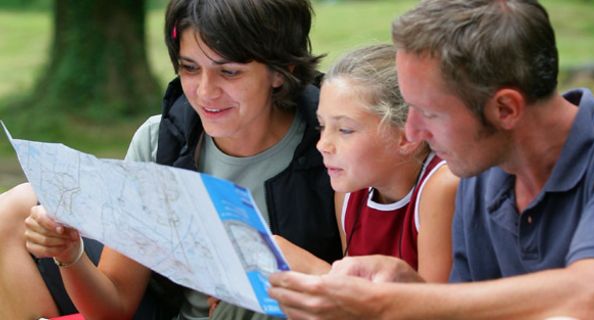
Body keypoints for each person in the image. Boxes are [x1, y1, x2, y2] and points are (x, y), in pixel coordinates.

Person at [1, 0, 344, 319]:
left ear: (280, 71)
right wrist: (69, 254)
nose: (206, 91)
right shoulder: (160, 141)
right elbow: (116, 305)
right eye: (190, 68)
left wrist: (278, 266)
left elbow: (363, 296)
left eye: (229, 72)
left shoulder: (334, 144)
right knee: (11, 211)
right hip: (172, 309)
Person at [268, 0, 594, 319]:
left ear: (505, 109)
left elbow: (589, 295)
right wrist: (408, 284)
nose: (413, 130)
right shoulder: (479, 172)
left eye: (429, 113)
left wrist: (393, 303)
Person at [274, 44, 458, 283]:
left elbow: (435, 308)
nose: (322, 144)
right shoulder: (350, 193)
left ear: (407, 135)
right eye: (322, 126)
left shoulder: (441, 187)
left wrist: (314, 270)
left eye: (345, 130)